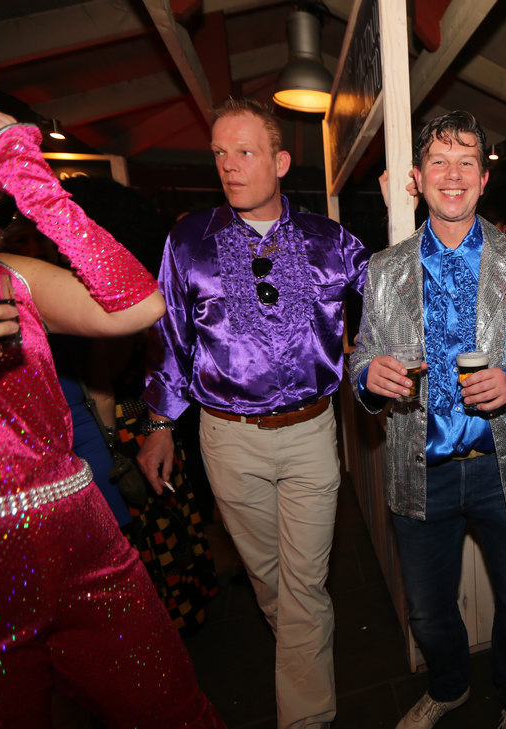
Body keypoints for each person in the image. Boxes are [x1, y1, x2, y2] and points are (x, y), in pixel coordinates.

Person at [0, 69, 224, 728]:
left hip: (88, 549)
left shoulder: (8, 276)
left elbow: (140, 305)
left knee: (180, 716)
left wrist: (35, 184)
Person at [137, 96, 371, 729]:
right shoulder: (189, 241)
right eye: (220, 153)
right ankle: (302, 657)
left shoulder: (329, 239)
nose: (229, 165)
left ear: (280, 161)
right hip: (228, 439)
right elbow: (170, 338)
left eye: (244, 151)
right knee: (270, 582)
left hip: (311, 435)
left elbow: (389, 294)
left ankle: (306, 719)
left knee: (304, 586)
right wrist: (158, 424)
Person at [350, 111, 506, 729]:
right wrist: (367, 377)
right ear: (418, 178)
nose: (453, 175)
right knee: (427, 610)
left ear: (483, 178)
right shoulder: (384, 269)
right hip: (421, 470)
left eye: (466, 162)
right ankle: (448, 688)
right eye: (439, 163)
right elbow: (363, 354)